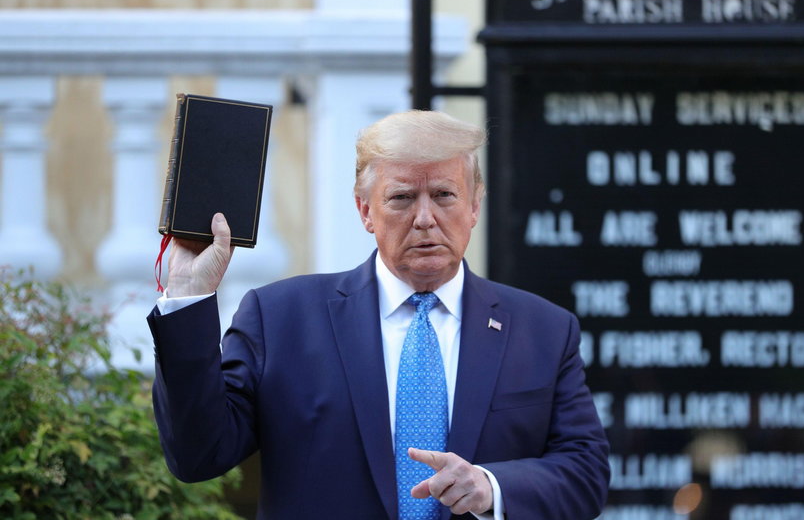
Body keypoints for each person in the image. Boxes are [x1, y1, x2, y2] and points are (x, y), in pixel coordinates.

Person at [147, 110, 609, 520]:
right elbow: (198, 455)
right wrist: (189, 295)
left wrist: (491, 486)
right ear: (365, 210)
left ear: (474, 206)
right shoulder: (281, 317)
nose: (425, 218)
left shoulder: (544, 329)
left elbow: (585, 473)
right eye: (402, 198)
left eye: (445, 195)